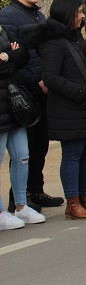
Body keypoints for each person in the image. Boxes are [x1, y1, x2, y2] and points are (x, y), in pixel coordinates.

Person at [0, 0, 63, 211]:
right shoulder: (8, 16)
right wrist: (35, 83)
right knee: (22, 152)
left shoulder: (38, 15)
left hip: (44, 88)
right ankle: (19, 199)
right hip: (24, 93)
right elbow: (14, 60)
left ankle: (35, 191)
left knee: (40, 146)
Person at [38, 0, 86, 220]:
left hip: (85, 106)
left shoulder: (74, 38)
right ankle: (72, 202)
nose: (81, 16)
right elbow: (51, 77)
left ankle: (85, 198)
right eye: (78, 12)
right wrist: (80, 92)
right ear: (67, 12)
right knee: (73, 155)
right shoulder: (52, 42)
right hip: (68, 108)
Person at [0, 24, 45, 229]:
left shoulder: (4, 30)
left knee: (22, 156)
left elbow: (22, 56)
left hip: (14, 105)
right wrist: (12, 56)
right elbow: (13, 61)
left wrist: (8, 57)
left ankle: (21, 206)